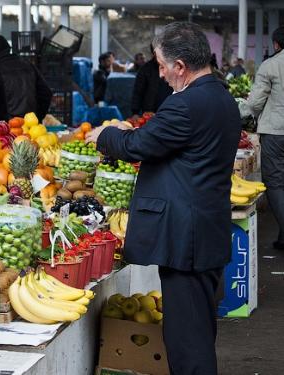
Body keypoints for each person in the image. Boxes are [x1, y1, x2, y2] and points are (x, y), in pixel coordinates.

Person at [86, 22, 240, 374]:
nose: (160, 73)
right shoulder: (220, 96)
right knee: (197, 331)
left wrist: (105, 134)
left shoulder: (187, 104)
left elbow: (137, 145)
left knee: (187, 344)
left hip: (187, 239)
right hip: (205, 231)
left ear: (180, 66)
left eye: (162, 65)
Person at [243, 27, 284, 250]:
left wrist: (243, 113)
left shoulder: (271, 65)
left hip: (276, 132)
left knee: (276, 183)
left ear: (276, 44)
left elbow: (255, 103)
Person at [0, 35, 52, 121]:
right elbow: (46, 93)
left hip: (8, 127)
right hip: (31, 125)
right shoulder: (28, 64)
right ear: (9, 48)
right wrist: (37, 117)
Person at [130, 45, 173, 115]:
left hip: (170, 111)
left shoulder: (173, 67)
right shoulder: (145, 69)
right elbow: (138, 92)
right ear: (154, 53)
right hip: (150, 112)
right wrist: (135, 112)